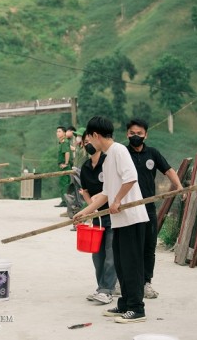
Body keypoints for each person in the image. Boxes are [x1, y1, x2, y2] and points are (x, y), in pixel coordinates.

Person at [74, 116, 149, 324]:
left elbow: (131, 177)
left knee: (132, 264)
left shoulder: (119, 151)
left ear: (96, 135)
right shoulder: (107, 158)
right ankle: (125, 303)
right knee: (121, 263)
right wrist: (85, 212)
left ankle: (137, 308)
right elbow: (105, 194)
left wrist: (118, 200)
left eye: (89, 138)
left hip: (132, 218)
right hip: (120, 221)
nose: (89, 143)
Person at [126, 118, 184, 299]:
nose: (135, 137)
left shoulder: (152, 153)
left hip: (148, 208)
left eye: (139, 134)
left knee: (148, 247)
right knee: (128, 247)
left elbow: (168, 170)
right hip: (127, 209)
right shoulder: (121, 153)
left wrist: (180, 187)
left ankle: (146, 283)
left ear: (146, 135)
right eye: (132, 133)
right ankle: (125, 282)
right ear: (127, 134)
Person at [79, 131, 117, 305]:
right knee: (97, 256)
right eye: (85, 142)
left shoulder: (108, 162)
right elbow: (86, 192)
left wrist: (91, 207)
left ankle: (106, 290)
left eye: (90, 141)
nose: (88, 144)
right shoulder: (85, 168)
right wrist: (89, 210)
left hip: (113, 215)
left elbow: (110, 192)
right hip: (97, 218)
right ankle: (102, 287)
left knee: (111, 254)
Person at [55, 126, 72, 208]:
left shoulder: (64, 142)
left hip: (64, 167)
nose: (57, 133)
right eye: (57, 131)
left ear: (64, 133)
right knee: (62, 183)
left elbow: (67, 153)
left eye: (59, 131)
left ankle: (65, 201)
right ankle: (64, 200)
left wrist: (66, 163)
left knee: (64, 184)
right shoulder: (62, 142)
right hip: (61, 166)